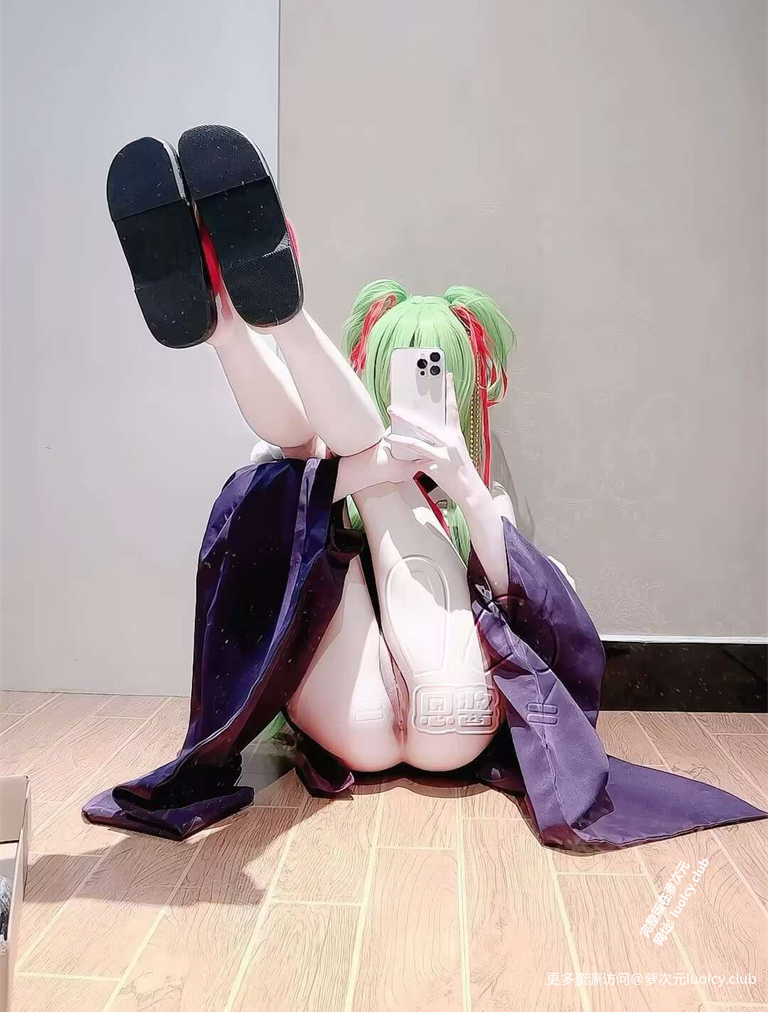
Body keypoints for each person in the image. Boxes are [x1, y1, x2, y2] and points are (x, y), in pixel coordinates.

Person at [83, 125, 766, 848]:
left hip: (407, 711)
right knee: (305, 474)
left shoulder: (475, 490)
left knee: (311, 472)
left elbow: (529, 595)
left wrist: (456, 482)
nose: (418, 382)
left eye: (432, 369)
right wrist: (379, 471)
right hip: (399, 715)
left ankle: (243, 327)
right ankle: (260, 324)